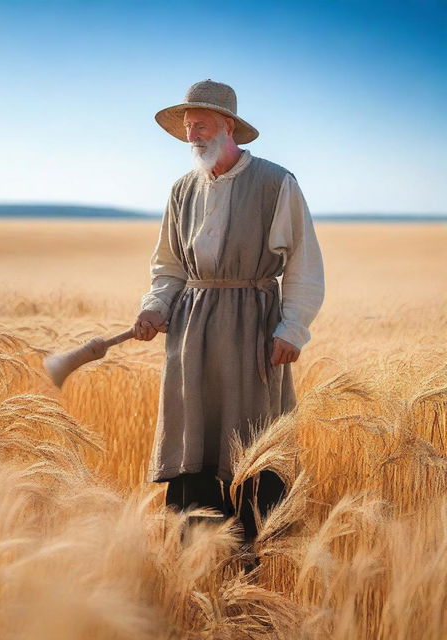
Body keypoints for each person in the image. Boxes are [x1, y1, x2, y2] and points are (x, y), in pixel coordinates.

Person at [133, 79, 325, 550]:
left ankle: (257, 555)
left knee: (253, 439)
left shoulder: (276, 182)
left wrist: (292, 328)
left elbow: (303, 262)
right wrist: (155, 307)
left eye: (201, 124)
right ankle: (197, 557)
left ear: (228, 126)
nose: (192, 134)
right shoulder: (181, 190)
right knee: (192, 439)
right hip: (192, 328)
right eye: (187, 126)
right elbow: (169, 266)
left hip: (253, 328)